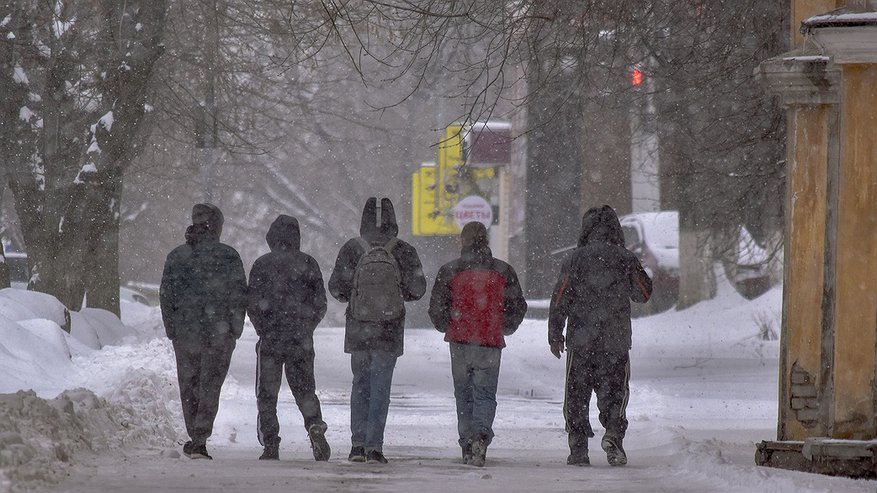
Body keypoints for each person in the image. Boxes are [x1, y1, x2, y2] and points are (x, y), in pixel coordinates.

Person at [548, 205, 652, 467]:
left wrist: (555, 334)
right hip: (615, 341)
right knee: (615, 392)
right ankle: (614, 435)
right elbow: (643, 293)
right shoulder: (625, 258)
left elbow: (560, 298)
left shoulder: (574, 259)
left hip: (580, 341)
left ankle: (578, 448)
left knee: (576, 395)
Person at [328, 197, 426, 464]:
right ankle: (375, 448)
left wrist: (356, 295)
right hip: (389, 330)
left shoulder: (352, 248)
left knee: (360, 385)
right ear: (394, 222)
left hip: (359, 330)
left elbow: (336, 288)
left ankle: (356, 446)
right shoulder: (403, 250)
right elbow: (417, 290)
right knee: (380, 387)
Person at [428, 222, 527, 467]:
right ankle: (481, 435)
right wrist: (505, 326)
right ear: (487, 242)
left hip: (460, 341)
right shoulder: (503, 271)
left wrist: (446, 324)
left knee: (463, 394)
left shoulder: (450, 270)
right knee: (485, 393)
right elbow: (518, 306)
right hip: (489, 342)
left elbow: (436, 307)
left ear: (462, 242)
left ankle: (466, 442)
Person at [160, 203, 248, 460]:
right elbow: (239, 295)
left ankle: (194, 434)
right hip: (218, 333)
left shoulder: (177, 256)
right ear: (218, 227)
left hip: (185, 332)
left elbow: (166, 295)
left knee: (188, 383)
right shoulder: (229, 256)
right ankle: (200, 436)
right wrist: (234, 328)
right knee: (210, 384)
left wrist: (172, 328)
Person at [247, 215, 330, 461]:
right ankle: (314, 425)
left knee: (266, 393)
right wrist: (306, 327)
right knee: (305, 390)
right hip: (300, 340)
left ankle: (270, 443)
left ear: (271, 237)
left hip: (271, 339)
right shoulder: (308, 263)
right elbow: (320, 303)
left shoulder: (262, 264)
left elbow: (251, 303)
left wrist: (263, 328)